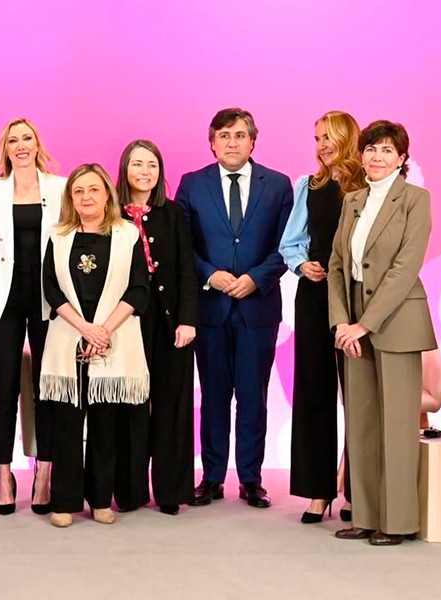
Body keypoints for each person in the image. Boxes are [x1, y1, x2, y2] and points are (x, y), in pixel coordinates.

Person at [175, 108, 293, 509]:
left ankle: (251, 479)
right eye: (224, 135)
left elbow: (287, 245)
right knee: (212, 396)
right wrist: (211, 275)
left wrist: (256, 278)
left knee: (253, 396)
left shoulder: (277, 185)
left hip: (258, 308)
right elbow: (182, 245)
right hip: (210, 308)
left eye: (240, 135)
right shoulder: (192, 184)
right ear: (212, 143)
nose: (232, 142)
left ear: (253, 141)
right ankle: (210, 477)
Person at [328, 120, 436, 546]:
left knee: (396, 426)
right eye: (371, 149)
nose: (377, 156)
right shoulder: (352, 200)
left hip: (396, 322)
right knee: (361, 424)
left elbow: (404, 268)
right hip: (353, 323)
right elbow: (338, 265)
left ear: (402, 158)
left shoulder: (415, 200)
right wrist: (342, 322)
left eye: (387, 150)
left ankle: (398, 522)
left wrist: (364, 324)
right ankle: (366, 515)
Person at [40, 164, 150, 528]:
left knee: (106, 427)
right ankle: (64, 502)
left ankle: (101, 499)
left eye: (93, 190)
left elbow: (138, 288)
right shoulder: (58, 236)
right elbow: (51, 289)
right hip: (70, 339)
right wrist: (85, 328)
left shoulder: (127, 234)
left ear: (107, 195)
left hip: (111, 341)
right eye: (78, 191)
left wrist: (102, 331)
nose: (86, 197)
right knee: (66, 427)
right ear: (70, 199)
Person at [0, 118, 65, 515]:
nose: (21, 145)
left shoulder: (60, 187)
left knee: (47, 387)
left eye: (27, 138)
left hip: (49, 302)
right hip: (3, 301)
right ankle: (4, 475)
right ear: (6, 148)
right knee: (5, 387)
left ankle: (43, 474)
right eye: (14, 140)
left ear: (37, 144)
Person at [279, 111, 364, 523]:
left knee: (360, 394)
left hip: (357, 298)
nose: (322, 145)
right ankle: (318, 490)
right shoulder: (308, 186)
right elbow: (291, 241)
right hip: (314, 295)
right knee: (314, 391)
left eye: (329, 137)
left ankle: (357, 490)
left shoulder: (368, 183)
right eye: (317, 138)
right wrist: (301, 265)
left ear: (348, 138)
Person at [113, 140, 197, 515]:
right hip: (125, 322)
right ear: (124, 169)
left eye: (152, 165)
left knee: (171, 404)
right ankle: (129, 490)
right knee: (129, 404)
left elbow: (186, 268)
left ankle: (171, 490)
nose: (145, 171)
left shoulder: (173, 213)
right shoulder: (111, 213)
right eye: (137, 164)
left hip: (169, 322)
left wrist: (187, 319)